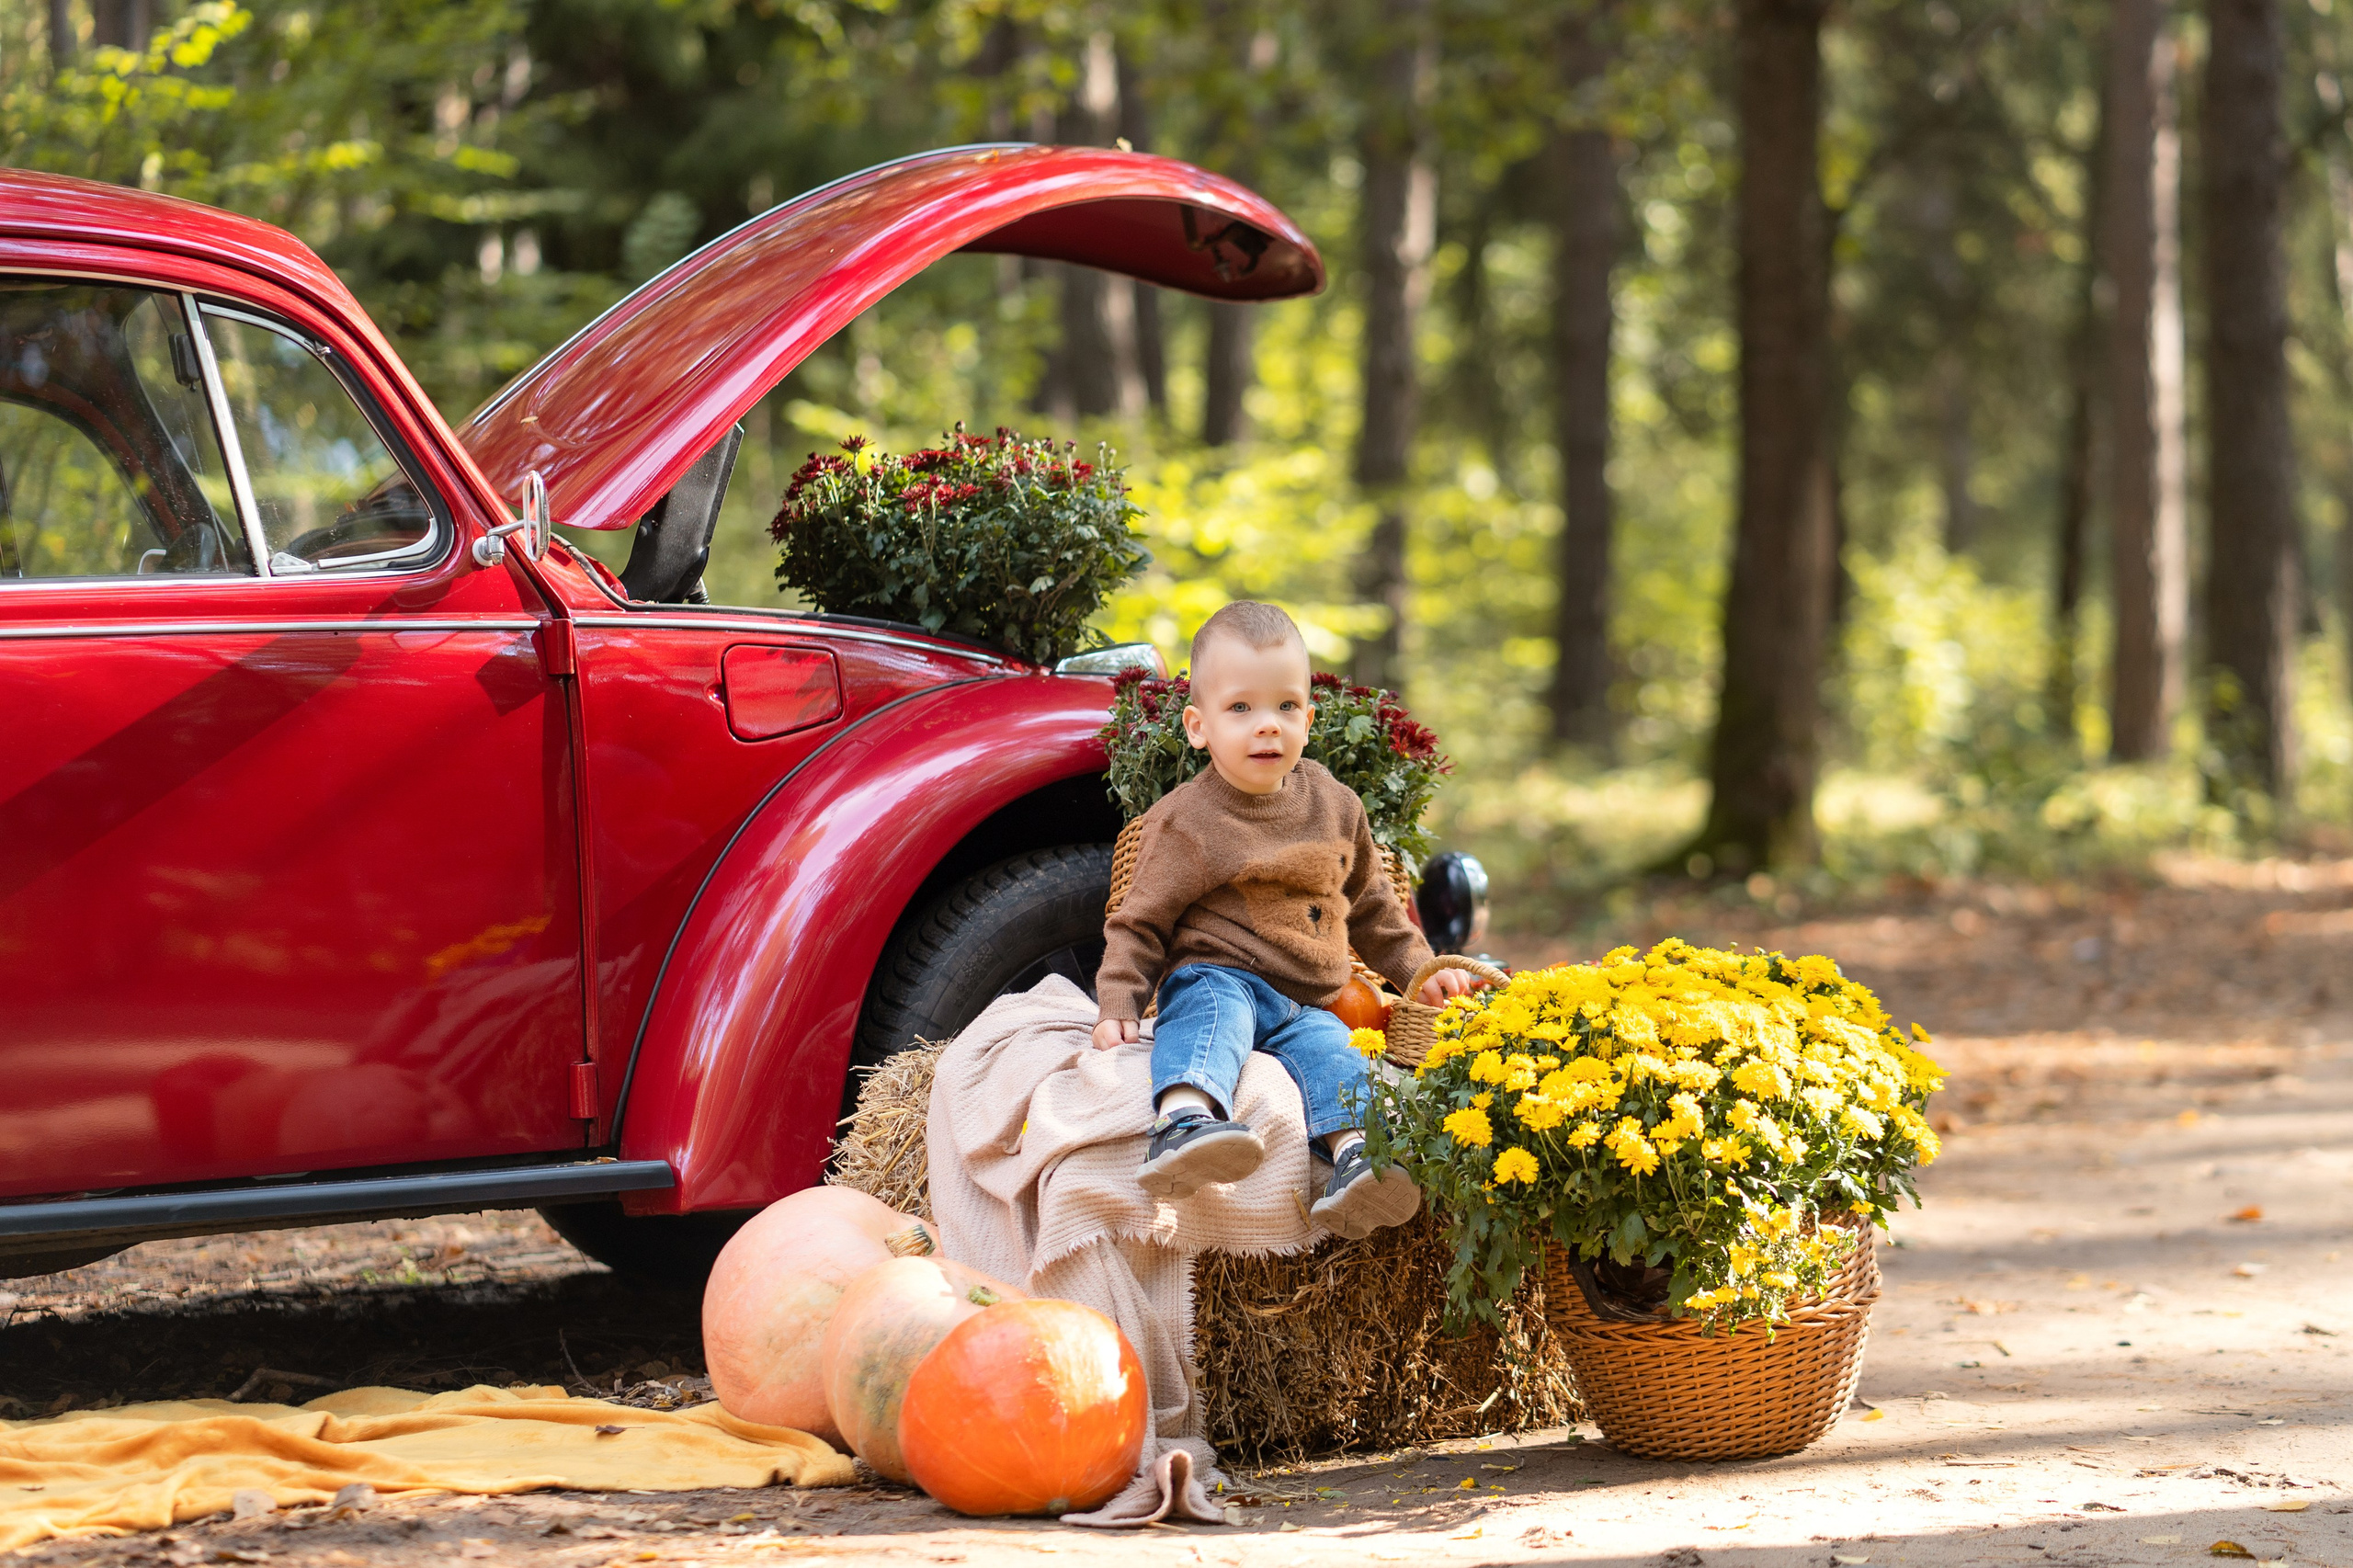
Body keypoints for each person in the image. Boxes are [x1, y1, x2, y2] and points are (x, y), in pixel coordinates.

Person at [1091, 601, 1481, 1238]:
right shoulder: (1187, 819)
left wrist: (1419, 971)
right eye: (1240, 709)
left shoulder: (1334, 804)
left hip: (1308, 1000)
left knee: (1340, 1060)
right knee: (1211, 1016)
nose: (1267, 727)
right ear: (1199, 726)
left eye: (1286, 707)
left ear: (1309, 717)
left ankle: (1357, 1160)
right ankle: (1185, 1120)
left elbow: (1375, 907)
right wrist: (1118, 1003)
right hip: (1222, 971)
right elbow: (1140, 920)